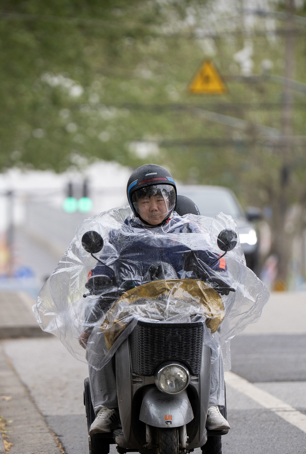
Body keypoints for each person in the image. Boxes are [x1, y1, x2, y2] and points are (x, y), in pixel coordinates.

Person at [80, 164, 231, 436]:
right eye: (145, 200)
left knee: (210, 340)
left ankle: (210, 405)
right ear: (134, 204)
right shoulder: (120, 237)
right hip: (133, 311)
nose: (154, 207)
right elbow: (102, 270)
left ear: (171, 200)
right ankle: (107, 407)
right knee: (98, 341)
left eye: (160, 199)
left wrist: (221, 275)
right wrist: (96, 292)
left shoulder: (189, 233)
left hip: (182, 309)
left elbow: (213, 263)